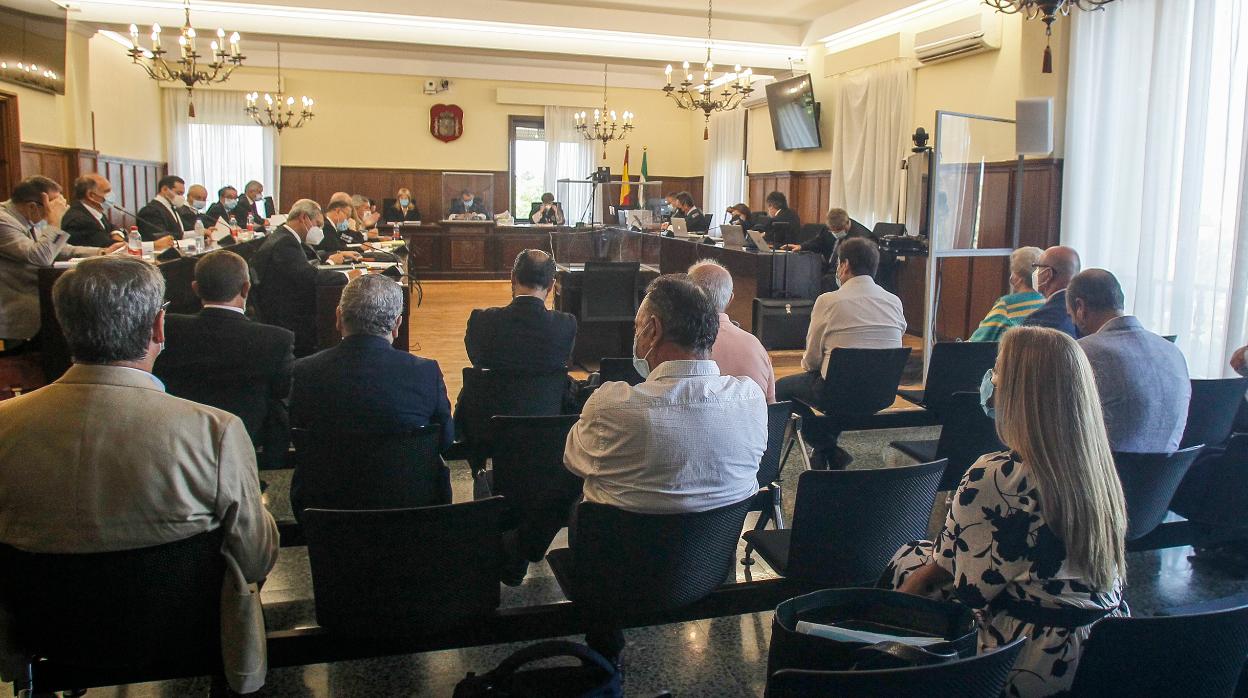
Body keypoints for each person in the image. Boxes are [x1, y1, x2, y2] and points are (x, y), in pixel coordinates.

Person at [0, 256, 279, 689]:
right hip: (185, 631)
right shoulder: (214, 431)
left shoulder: (5, 425)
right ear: (157, 328)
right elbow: (256, 558)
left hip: (46, 634)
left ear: (63, 323)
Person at [883, 326, 1128, 697]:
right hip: (1102, 653)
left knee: (907, 563)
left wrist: (884, 624)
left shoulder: (996, 475)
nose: (990, 380)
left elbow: (961, 587)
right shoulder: (1098, 471)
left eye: (996, 371)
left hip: (1025, 661)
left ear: (1017, 392)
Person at [566, 274, 765, 514]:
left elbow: (573, 461)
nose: (636, 336)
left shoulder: (609, 406)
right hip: (715, 548)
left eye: (637, 327)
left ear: (653, 331)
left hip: (621, 548)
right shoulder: (751, 399)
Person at [153, 250, 295, 469]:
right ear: (246, 288)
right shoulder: (276, 339)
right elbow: (282, 390)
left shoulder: (169, 328)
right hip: (248, 437)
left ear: (195, 288)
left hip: (181, 440)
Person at [289, 273, 452, 446]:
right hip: (404, 472)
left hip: (327, 472)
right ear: (397, 324)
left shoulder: (305, 371)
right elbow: (445, 440)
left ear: (338, 318)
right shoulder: (425, 372)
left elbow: (297, 436)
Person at [1069, 269, 1190, 453]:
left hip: (1103, 478)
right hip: (1164, 478)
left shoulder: (1081, 353)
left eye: (1070, 316)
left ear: (1080, 308)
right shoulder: (1173, 352)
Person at [776, 237, 905, 406]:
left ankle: (814, 430)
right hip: (882, 393)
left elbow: (812, 361)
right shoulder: (894, 301)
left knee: (779, 388)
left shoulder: (828, 301)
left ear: (844, 265)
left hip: (835, 393)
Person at [0, 176, 120, 348]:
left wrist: (101, 252)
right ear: (33, 206)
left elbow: (57, 248)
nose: (60, 211)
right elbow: (41, 256)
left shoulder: (31, 216)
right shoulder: (3, 221)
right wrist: (54, 222)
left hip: (38, 298)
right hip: (16, 305)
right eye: (54, 207)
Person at [250, 199, 361, 357]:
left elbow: (303, 265)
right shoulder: (285, 242)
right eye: (318, 224)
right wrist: (346, 276)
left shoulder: (285, 236)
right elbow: (309, 276)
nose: (319, 230)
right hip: (287, 316)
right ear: (304, 218)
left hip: (284, 306)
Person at [687, 259, 776, 402]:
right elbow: (771, 407)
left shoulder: (681, 344)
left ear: (686, 297)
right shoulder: (756, 345)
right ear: (730, 299)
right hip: (753, 424)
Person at [780, 208, 873, 291]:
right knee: (803, 272)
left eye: (838, 230)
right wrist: (801, 247)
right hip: (828, 266)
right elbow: (819, 241)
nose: (835, 233)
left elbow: (856, 265)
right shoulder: (830, 227)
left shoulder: (860, 238)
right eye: (832, 230)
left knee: (823, 282)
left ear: (847, 223)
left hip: (846, 272)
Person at [968, 246, 1046, 342]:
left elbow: (978, 340)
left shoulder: (1008, 305)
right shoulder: (1048, 302)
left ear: (1018, 278)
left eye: (1013, 271)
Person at [1023, 245, 1081, 337]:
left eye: (1037, 267)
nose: (1035, 272)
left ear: (1047, 274)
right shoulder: (1083, 311)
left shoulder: (1041, 320)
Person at [61, 173, 124, 247]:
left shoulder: (95, 212)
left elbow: (113, 227)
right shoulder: (79, 220)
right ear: (91, 195)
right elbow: (108, 246)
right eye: (107, 191)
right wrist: (120, 240)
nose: (111, 194)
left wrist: (117, 233)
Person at [137, 174, 187, 241]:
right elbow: (159, 236)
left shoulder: (172, 207)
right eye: (178, 193)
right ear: (164, 189)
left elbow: (178, 233)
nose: (181, 197)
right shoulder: (151, 210)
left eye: (182, 194)